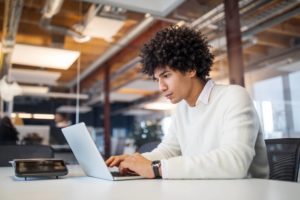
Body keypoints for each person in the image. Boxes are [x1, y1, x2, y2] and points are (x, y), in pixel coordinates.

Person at [106, 25, 269, 179]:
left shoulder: (234, 97)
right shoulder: (182, 109)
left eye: (166, 75)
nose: (161, 87)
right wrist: (134, 161)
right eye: (157, 79)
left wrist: (156, 168)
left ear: (191, 69)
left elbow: (234, 162)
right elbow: (168, 151)